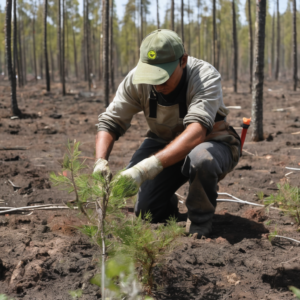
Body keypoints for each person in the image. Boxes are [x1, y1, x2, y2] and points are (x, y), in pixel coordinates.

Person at [94, 29, 241, 238]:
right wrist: (100, 161)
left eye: (163, 76)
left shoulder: (204, 76)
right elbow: (110, 121)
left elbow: (197, 131)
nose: (157, 83)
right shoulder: (135, 81)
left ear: (183, 61)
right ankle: (163, 200)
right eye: (151, 75)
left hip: (212, 143)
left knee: (201, 158)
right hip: (162, 142)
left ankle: (200, 222)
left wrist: (146, 168)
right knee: (146, 211)